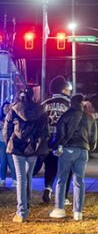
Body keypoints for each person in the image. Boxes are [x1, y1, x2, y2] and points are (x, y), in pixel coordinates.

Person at [3, 87, 49, 223]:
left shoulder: (14, 109)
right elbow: (44, 131)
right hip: (33, 148)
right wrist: (37, 145)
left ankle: (21, 212)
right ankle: (26, 207)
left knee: (21, 178)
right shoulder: (40, 110)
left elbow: (6, 130)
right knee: (28, 177)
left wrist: (9, 143)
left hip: (17, 147)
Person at [49, 93, 98, 221]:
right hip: (83, 150)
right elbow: (94, 139)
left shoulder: (66, 115)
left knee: (61, 179)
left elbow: (59, 134)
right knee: (79, 181)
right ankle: (78, 212)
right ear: (82, 103)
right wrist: (88, 148)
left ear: (71, 103)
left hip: (68, 150)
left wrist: (55, 146)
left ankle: (59, 209)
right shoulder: (90, 118)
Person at [39, 75, 72, 203]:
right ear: (63, 90)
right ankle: (63, 196)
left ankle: (47, 189)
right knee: (65, 168)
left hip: (47, 141)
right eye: (67, 88)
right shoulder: (69, 105)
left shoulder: (44, 104)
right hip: (63, 142)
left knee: (49, 167)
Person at [0, 100, 15, 187]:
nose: (6, 109)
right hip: (2, 143)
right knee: (3, 162)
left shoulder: (13, 119)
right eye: (4, 107)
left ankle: (15, 180)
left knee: (12, 162)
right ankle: (2, 179)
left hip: (10, 142)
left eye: (8, 107)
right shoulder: (0, 119)